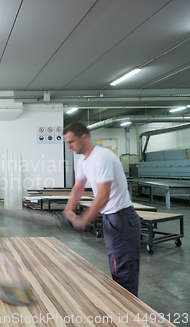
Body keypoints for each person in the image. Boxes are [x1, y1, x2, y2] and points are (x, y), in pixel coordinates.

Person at [63, 122, 141, 297]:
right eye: (67, 143)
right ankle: (122, 311)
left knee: (124, 273)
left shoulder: (102, 157)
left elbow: (103, 196)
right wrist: (68, 210)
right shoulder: (83, 160)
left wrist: (84, 219)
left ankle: (129, 317)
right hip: (110, 218)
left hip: (122, 219)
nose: (69, 147)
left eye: (71, 142)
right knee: (116, 267)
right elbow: (78, 186)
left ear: (85, 137)